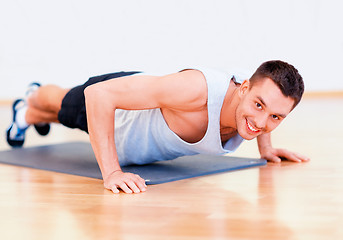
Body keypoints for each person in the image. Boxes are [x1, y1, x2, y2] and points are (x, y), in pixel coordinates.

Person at [6, 60, 310, 194]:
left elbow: (268, 103)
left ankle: (27, 115)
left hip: (135, 129)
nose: (261, 123)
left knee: (56, 115)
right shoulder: (197, 90)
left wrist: (267, 149)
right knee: (63, 104)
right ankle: (33, 96)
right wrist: (111, 173)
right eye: (258, 107)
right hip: (119, 114)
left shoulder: (258, 95)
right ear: (244, 89)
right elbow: (98, 95)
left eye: (276, 118)